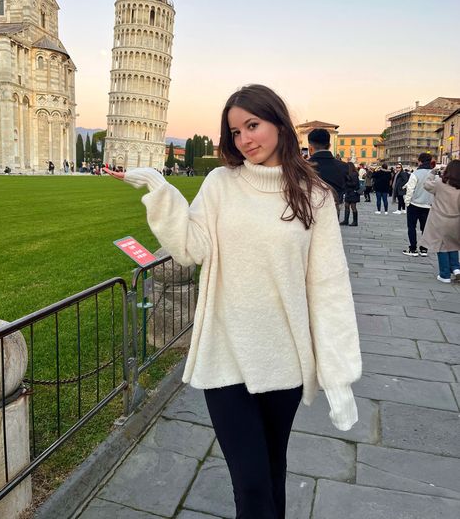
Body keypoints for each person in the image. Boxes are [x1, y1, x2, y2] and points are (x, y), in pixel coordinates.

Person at [105, 84, 362, 519]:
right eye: (235, 130)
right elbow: (191, 249)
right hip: (226, 356)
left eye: (253, 125)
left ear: (279, 124)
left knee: (272, 472)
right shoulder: (221, 183)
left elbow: (329, 286)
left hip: (284, 360)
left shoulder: (314, 195)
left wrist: (338, 374)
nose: (245, 139)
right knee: (251, 484)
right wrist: (159, 189)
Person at [419, 160, 460, 282]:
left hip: (439, 219)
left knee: (441, 245)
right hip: (456, 220)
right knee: (453, 244)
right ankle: (457, 268)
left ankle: (444, 274)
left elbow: (426, 185)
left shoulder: (440, 183)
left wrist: (432, 172)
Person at [307, 128, 348, 217]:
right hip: (333, 211)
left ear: (310, 147)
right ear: (329, 146)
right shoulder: (343, 166)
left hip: (309, 212)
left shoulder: (303, 166)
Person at [402, 152, 434, 256]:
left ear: (420, 161)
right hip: (428, 205)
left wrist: (407, 202)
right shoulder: (434, 174)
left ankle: (413, 249)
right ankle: (424, 249)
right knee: (425, 228)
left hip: (414, 204)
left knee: (412, 227)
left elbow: (410, 189)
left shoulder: (415, 174)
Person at [340, 162, 360, 226]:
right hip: (348, 192)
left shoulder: (354, 174)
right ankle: (346, 220)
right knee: (346, 205)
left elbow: (354, 184)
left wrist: (346, 183)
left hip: (353, 192)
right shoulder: (349, 174)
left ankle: (355, 221)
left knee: (353, 207)